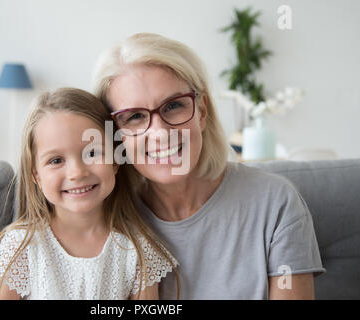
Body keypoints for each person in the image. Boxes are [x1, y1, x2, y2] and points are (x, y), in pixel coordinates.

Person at [91, 33, 325, 299]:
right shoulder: (106, 219)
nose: (160, 133)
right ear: (114, 133)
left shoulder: (276, 202)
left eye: (173, 106)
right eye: (134, 116)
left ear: (202, 111)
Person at [0, 87, 179, 300]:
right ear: (36, 175)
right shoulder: (22, 247)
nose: (77, 173)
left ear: (115, 160)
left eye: (92, 153)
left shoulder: (139, 250)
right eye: (56, 160)